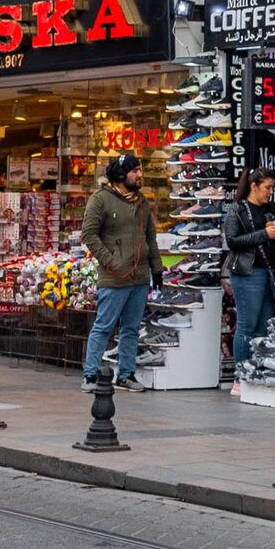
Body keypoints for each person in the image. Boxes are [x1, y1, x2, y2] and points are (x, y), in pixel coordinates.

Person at [76, 152, 158, 386]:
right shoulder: (100, 199)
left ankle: (126, 374)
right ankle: (90, 374)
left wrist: (157, 268)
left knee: (131, 328)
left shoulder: (142, 201)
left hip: (140, 276)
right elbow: (89, 235)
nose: (140, 175)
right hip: (114, 277)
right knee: (103, 326)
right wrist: (111, 261)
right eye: (135, 171)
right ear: (122, 174)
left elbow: (150, 236)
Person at [229, 173, 275, 365]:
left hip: (268, 270)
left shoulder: (270, 209)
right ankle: (241, 374)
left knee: (264, 326)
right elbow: (232, 241)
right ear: (254, 186)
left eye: (273, 188)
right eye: (268, 187)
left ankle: (258, 371)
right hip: (248, 272)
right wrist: (264, 234)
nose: (271, 192)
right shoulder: (237, 209)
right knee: (246, 325)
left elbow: (272, 241)